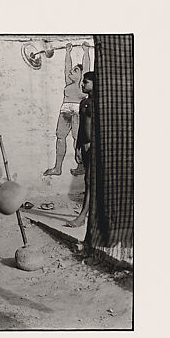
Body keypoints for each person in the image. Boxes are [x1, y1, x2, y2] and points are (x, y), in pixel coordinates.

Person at [44, 41, 91, 176]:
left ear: (81, 75)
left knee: (77, 139)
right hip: (64, 112)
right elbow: (66, 67)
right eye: (72, 70)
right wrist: (67, 53)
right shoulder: (68, 83)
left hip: (76, 112)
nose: (71, 71)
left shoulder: (81, 85)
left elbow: (86, 67)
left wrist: (86, 52)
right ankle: (57, 168)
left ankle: (81, 165)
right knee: (60, 138)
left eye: (75, 70)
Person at [66, 71, 95, 228]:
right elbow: (82, 127)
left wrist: (92, 143)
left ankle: (82, 216)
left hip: (95, 147)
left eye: (86, 82)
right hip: (85, 146)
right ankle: (85, 215)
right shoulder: (84, 102)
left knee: (91, 180)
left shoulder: (100, 103)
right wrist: (78, 146)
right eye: (83, 82)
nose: (82, 84)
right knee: (87, 180)